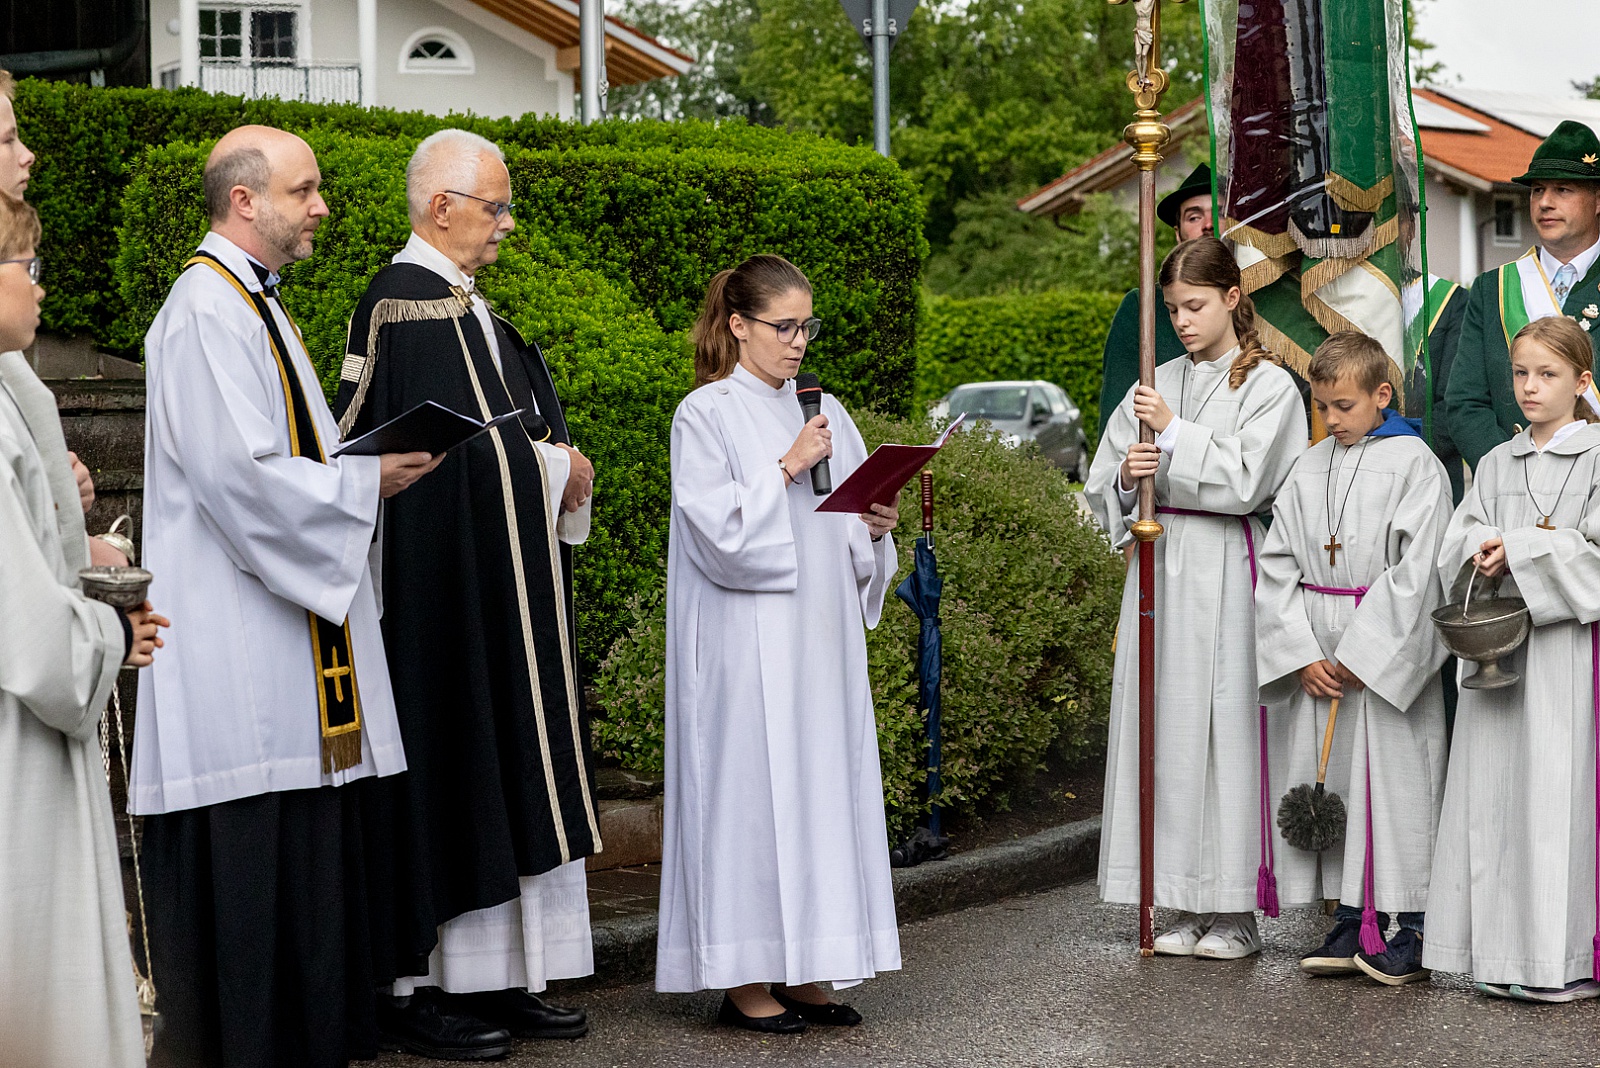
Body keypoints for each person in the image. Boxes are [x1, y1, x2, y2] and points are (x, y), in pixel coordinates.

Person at [129, 126, 441, 1068]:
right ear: (245, 200)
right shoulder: (205, 310)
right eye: (304, 190)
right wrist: (365, 482)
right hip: (237, 652)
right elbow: (242, 478)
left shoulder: (254, 303)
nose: (321, 207)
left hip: (284, 643)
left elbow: (288, 455)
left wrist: (356, 469)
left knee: (305, 845)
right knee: (254, 856)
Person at [333, 128, 598, 1060]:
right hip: (435, 599)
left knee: (507, 756)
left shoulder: (470, 306)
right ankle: (416, 990)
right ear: (440, 207)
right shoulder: (397, 306)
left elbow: (510, 438)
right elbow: (369, 448)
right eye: (496, 206)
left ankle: (501, 977)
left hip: (504, 585)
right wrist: (551, 466)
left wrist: (555, 463)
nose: (507, 223)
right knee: (450, 759)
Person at [657, 254, 901, 1032]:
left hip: (818, 637)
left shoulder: (824, 408)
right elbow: (713, 531)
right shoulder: (706, 413)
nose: (799, 342)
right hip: (745, 641)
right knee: (751, 797)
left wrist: (875, 527)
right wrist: (787, 466)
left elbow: (847, 521)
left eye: (807, 327)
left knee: (819, 790)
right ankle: (743, 975)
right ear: (738, 324)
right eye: (784, 326)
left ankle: (807, 966)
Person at [1086, 236, 1307, 960]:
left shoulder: (1269, 386)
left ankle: (1234, 907)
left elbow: (1251, 480)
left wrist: (1174, 433)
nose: (1181, 321)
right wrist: (1128, 476)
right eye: (1173, 308)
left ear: (1233, 298)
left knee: (1226, 732)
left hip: (1226, 564)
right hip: (1159, 561)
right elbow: (1102, 487)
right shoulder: (1155, 383)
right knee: (1166, 731)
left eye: (1195, 305)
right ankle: (1176, 898)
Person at [0, 192, 168, 1068]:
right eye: (28, 267)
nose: (40, 289)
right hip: (16, 740)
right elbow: (27, 631)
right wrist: (109, 634)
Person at [1255, 332, 1450, 987]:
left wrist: (1368, 653)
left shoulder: (1414, 463)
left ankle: (1412, 927)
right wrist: (1299, 654)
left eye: (1344, 405)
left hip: (1382, 654)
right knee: (1334, 780)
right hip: (1321, 648)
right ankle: (1349, 915)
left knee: (1398, 785)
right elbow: (1277, 564)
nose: (1331, 419)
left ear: (1381, 395)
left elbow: (1421, 571)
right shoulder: (1309, 467)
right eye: (1322, 407)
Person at [1426, 316, 1600, 1004]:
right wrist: (1481, 549)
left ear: (1581, 381)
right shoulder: (1499, 461)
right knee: (1498, 803)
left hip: (1569, 657)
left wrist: (1521, 550)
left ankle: (1566, 961)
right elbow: (1457, 537)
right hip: (1502, 653)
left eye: (1547, 375)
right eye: (1521, 373)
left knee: (1559, 803)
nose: (1529, 387)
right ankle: (1503, 954)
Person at [1445, 120, 1600, 473]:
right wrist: (1511, 474)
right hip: (1512, 479)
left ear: (1597, 200)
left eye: (1562, 190)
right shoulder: (1493, 288)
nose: (1545, 202)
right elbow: (1465, 402)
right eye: (1537, 190)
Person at [1095, 163, 1211, 440]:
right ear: (1178, 234)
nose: (1208, 225)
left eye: (1218, 213)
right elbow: (1117, 415)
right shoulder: (1142, 307)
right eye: (1194, 217)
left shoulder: (1267, 304)